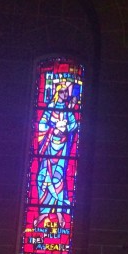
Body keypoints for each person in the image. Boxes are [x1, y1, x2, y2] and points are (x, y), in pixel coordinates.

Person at [34, 80, 79, 229]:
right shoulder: (50, 108)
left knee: (58, 179)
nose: (64, 94)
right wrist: (53, 129)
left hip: (61, 150)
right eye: (61, 92)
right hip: (48, 149)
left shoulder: (68, 110)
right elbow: (41, 125)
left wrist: (65, 129)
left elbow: (74, 125)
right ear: (57, 93)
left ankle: (59, 212)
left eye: (66, 92)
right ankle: (43, 212)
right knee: (42, 178)